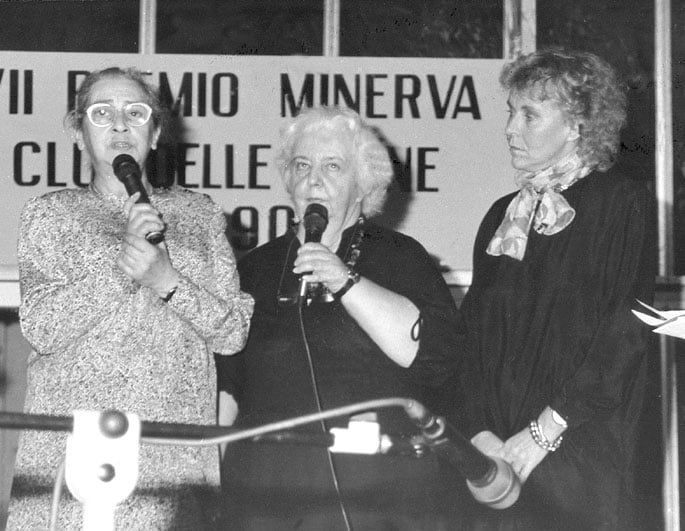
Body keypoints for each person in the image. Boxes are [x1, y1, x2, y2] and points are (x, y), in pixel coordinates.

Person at [7, 67, 253, 530]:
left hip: (170, 454)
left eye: (135, 113)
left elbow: (233, 333)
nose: (120, 125)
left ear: (155, 133)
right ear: (78, 133)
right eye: (101, 113)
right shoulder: (50, 214)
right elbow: (42, 326)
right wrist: (121, 266)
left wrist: (167, 281)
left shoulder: (199, 215)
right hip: (72, 450)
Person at [216, 105, 465, 530]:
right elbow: (227, 388)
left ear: (363, 182)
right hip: (270, 494)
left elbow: (431, 356)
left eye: (333, 166)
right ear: (288, 178)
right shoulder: (255, 269)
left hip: (376, 492)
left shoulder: (400, 257)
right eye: (302, 165)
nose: (314, 179)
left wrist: (345, 280)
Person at [460, 49, 656, 530]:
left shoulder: (622, 204)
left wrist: (542, 433)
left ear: (577, 126)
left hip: (579, 453)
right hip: (499, 458)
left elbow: (624, 333)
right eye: (511, 112)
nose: (510, 128)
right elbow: (470, 341)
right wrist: (479, 432)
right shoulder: (501, 215)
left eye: (529, 114)